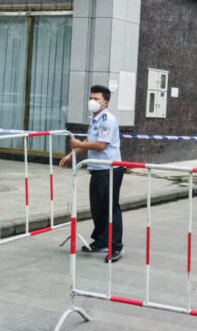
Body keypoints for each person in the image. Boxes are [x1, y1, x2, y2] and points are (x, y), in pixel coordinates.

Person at [59, 85, 124, 263]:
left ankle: (116, 246)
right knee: (97, 208)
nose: (92, 101)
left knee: (110, 208)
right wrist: (70, 155)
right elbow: (89, 140)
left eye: (96, 99)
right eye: (91, 98)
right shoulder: (95, 118)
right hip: (96, 169)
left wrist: (78, 143)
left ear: (106, 102)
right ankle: (102, 240)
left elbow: (101, 145)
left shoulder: (108, 120)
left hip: (110, 170)